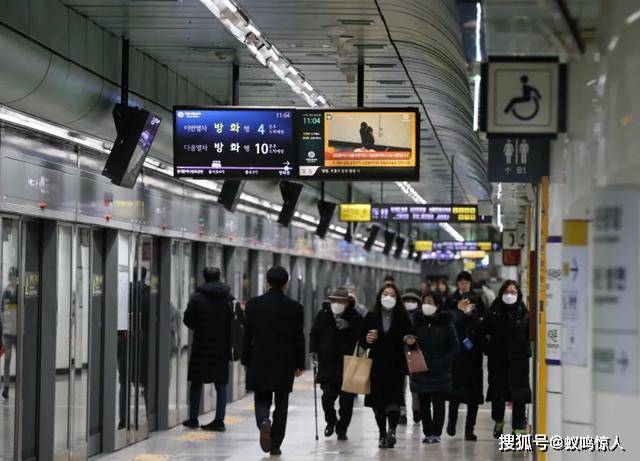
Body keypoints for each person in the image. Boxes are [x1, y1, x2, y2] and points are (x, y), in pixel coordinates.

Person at [242, 266, 305, 456]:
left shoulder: (253, 305)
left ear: (266, 282)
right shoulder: (295, 308)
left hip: (259, 359)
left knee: (261, 398)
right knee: (282, 403)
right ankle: (276, 444)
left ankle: (263, 420)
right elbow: (298, 338)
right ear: (286, 284)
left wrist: (245, 359)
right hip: (285, 362)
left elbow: (247, 336)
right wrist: (299, 364)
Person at [360, 283, 413, 449]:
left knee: (394, 401)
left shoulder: (402, 317)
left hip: (396, 364)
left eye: (392, 294)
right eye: (385, 294)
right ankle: (382, 433)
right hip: (376, 365)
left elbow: (411, 337)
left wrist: (409, 340)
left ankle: (392, 430)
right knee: (378, 403)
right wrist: (367, 340)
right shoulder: (371, 316)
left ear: (397, 298)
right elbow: (361, 339)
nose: (388, 297)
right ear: (380, 296)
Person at [182, 266, 234, 431]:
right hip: (222, 347)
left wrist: (201, 325)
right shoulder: (229, 298)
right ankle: (219, 420)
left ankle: (193, 418)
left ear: (204, 278)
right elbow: (236, 321)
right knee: (221, 385)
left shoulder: (197, 298)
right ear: (219, 277)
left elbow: (188, 320)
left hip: (201, 346)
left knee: (196, 382)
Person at [309, 287, 363, 441]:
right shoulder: (323, 314)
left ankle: (342, 428)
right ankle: (331, 421)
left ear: (347, 302)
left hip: (349, 365)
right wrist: (313, 351)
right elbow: (314, 334)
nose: (337, 304)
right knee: (327, 398)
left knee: (346, 402)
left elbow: (361, 335)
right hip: (328, 364)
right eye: (334, 301)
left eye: (341, 301)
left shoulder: (355, 317)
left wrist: (349, 327)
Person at [484, 280, 532, 438]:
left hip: (518, 362)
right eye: (506, 292)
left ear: (518, 294)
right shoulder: (494, 312)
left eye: (513, 292)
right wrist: (489, 348)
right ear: (500, 293)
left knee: (519, 396)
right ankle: (498, 421)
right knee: (498, 395)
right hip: (498, 361)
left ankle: (518, 429)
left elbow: (528, 336)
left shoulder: (524, 313)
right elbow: (483, 332)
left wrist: (526, 351)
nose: (509, 295)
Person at [410, 292, 458, 444]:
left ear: (437, 305)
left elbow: (455, 346)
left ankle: (436, 433)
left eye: (430, 302)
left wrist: (445, 362)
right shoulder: (416, 322)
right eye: (424, 302)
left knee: (438, 404)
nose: (426, 305)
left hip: (440, 371)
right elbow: (408, 342)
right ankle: (427, 432)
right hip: (421, 369)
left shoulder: (446, 323)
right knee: (423, 404)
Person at [447, 282, 486, 441]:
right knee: (455, 397)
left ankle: (469, 429)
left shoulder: (478, 322)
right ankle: (452, 422)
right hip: (457, 364)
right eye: (466, 304)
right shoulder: (455, 319)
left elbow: (483, 341)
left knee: (473, 400)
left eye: (472, 304)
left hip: (475, 366)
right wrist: (461, 314)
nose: (469, 307)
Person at [401, 288, 423, 424]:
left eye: (412, 300)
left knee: (415, 385)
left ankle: (417, 410)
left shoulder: (421, 316)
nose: (410, 303)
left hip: (415, 352)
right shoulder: (399, 316)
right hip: (400, 353)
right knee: (400, 385)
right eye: (407, 300)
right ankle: (402, 412)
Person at [1, 267, 18, 399]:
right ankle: (6, 387)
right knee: (7, 360)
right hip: (8, 332)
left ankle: (22, 384)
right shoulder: (5, 292)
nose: (10, 277)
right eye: (10, 275)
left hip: (17, 332)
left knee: (21, 360)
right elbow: (2, 312)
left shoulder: (19, 291)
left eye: (12, 275)